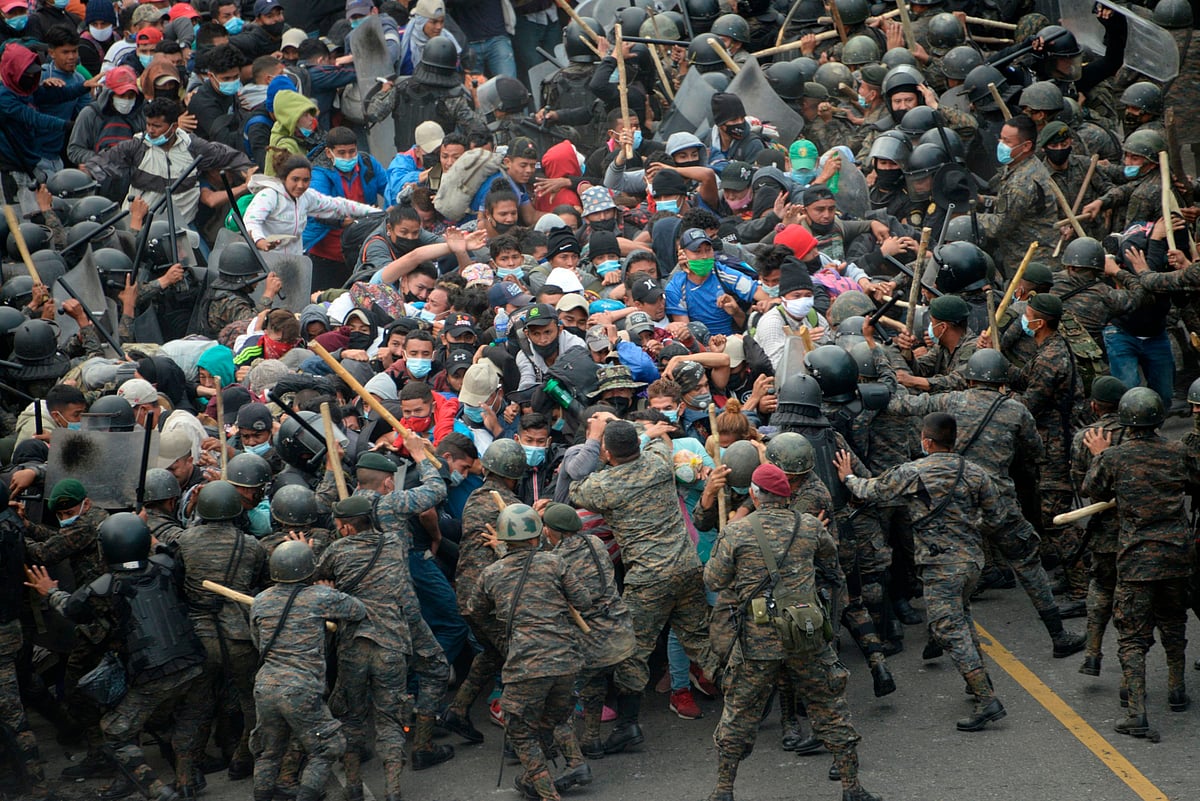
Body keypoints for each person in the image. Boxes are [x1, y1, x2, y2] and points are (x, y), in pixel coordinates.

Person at [703, 462, 880, 801]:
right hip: (805, 632)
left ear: (755, 494)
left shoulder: (737, 532)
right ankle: (852, 787)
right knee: (829, 707)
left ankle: (724, 790)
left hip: (757, 640)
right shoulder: (811, 527)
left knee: (738, 712)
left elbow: (714, 580)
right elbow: (833, 570)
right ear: (786, 494)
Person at [836, 413, 1008, 731]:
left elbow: (871, 491)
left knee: (948, 630)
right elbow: (997, 517)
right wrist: (970, 529)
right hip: (972, 563)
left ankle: (987, 700)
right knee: (963, 619)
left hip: (940, 567)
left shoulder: (914, 471)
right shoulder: (975, 472)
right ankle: (977, 682)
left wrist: (848, 477)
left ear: (926, 441)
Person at [25, 513, 209, 801]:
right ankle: (186, 782)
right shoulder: (167, 566)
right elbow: (163, 549)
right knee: (187, 724)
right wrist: (145, 534)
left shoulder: (103, 587)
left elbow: (73, 610)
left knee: (114, 732)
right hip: (195, 665)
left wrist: (51, 592)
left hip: (152, 675)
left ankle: (157, 792)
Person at [570, 419, 716, 752]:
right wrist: (643, 435)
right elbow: (660, 444)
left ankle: (628, 725)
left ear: (608, 451)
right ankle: (748, 692)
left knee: (633, 653)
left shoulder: (604, 486)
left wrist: (593, 441)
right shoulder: (660, 460)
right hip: (687, 565)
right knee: (700, 641)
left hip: (648, 578)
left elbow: (575, 487)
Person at [1082, 388, 1200, 739]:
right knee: (1174, 623)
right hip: (1176, 556)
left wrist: (1099, 455)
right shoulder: (1178, 451)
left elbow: (1094, 489)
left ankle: (1136, 710)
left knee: (1132, 636)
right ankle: (1177, 688)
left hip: (1135, 559)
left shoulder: (1115, 458)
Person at [465, 503, 592, 800]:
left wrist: (502, 631)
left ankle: (547, 793)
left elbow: (473, 610)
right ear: (537, 536)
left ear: (504, 539)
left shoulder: (491, 573)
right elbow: (584, 601)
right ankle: (552, 772)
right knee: (555, 720)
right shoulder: (555, 563)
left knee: (520, 729)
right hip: (566, 659)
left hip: (526, 663)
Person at [248, 540, 366, 801]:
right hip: (301, 687)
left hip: (266, 685)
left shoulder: (260, 601)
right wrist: (328, 590)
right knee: (328, 746)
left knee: (269, 751)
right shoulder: (318, 597)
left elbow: (258, 641)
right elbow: (358, 610)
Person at [244, 154, 378, 256]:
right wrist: (260, 241)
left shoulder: (306, 197)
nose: (301, 185)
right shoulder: (270, 196)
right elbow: (252, 221)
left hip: (293, 263)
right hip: (266, 261)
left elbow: (338, 205)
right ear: (284, 178)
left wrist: (372, 212)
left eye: (306, 180)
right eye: (295, 179)